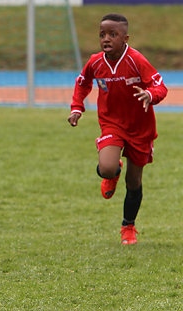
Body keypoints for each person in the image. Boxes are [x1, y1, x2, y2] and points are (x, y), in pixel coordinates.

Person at [68, 13, 167, 245]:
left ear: (125, 38)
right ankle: (111, 173)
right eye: (102, 34)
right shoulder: (95, 62)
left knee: (134, 183)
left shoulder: (136, 60)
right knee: (107, 167)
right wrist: (76, 108)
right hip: (112, 124)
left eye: (113, 34)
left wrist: (150, 95)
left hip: (141, 128)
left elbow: (159, 85)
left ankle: (128, 226)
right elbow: (82, 83)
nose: (106, 39)